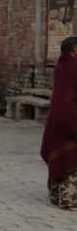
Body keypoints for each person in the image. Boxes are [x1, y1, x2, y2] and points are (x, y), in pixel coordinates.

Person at [41, 35, 77, 210]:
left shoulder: (60, 66)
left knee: (58, 155)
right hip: (70, 118)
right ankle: (69, 199)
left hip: (56, 119)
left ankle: (56, 195)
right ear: (74, 50)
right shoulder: (74, 67)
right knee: (71, 159)